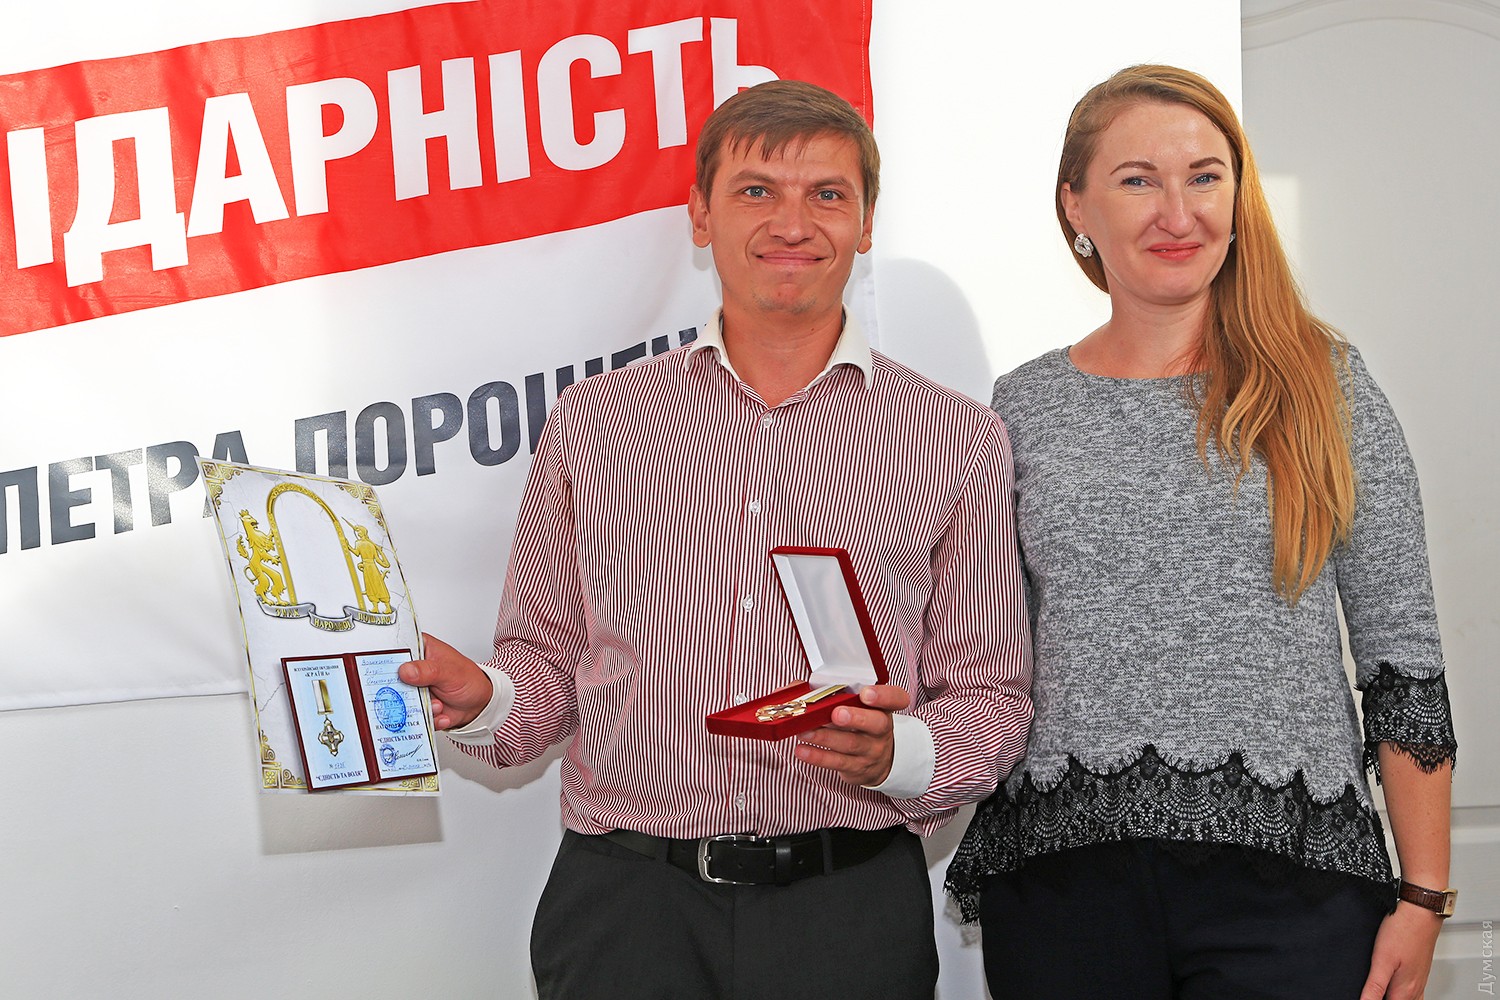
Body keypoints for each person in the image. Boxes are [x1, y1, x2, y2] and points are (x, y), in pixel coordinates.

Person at [399, 79, 1032, 1000]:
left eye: (827, 194)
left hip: (849, 909)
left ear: (865, 223)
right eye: (755, 191)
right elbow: (546, 665)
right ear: (701, 215)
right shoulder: (595, 422)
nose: (792, 223)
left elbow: (990, 695)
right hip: (628, 910)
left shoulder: (956, 438)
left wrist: (900, 755)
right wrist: (487, 698)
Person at [945, 65, 1457, 1000]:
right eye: (1138, 179)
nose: (1177, 213)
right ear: (1076, 205)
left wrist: (1423, 895)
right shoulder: (1022, 406)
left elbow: (1402, 654)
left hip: (1295, 894)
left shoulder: (1325, 385)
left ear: (1237, 197)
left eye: (1205, 177)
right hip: (1064, 893)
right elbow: (988, 653)